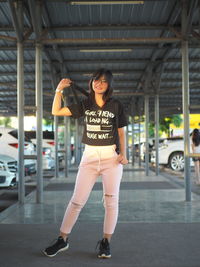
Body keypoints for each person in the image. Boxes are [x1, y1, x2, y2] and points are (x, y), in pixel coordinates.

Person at [43, 68, 128, 259]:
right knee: (76, 201)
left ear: (109, 85)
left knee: (111, 201)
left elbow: (122, 133)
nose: (99, 84)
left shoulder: (116, 105)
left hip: (111, 158)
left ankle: (106, 243)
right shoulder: (85, 105)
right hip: (89, 156)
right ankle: (62, 239)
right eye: (96, 80)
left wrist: (124, 153)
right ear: (91, 82)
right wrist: (59, 90)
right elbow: (56, 110)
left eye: (104, 81)